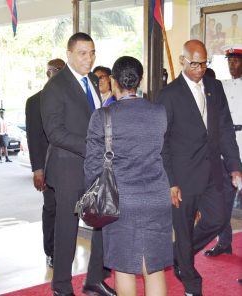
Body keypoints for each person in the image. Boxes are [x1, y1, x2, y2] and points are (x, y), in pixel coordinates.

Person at [156, 40, 242, 296]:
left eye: (204, 63)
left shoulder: (214, 87)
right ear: (183, 61)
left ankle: (178, 254)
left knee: (217, 219)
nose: (199, 68)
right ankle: (191, 282)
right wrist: (170, 181)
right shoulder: (169, 95)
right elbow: (162, 143)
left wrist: (235, 166)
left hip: (213, 171)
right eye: (194, 63)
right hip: (182, 178)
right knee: (182, 229)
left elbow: (225, 129)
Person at [85, 56, 173, 296]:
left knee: (124, 268)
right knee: (153, 268)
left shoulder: (102, 116)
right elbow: (164, 154)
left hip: (120, 201)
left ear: (113, 81)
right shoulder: (159, 113)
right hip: (157, 198)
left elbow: (92, 167)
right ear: (139, 80)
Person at [40, 32, 116, 296]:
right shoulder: (55, 87)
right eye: (83, 53)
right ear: (70, 54)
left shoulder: (93, 80)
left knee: (102, 220)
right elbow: (55, 133)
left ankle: (94, 278)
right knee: (67, 227)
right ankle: (61, 285)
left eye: (92, 52)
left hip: (94, 166)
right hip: (68, 167)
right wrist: (93, 147)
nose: (89, 58)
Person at [25, 58, 65, 268]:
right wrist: (37, 170)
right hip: (48, 168)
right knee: (51, 209)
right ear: (48, 72)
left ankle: (64, 251)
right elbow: (34, 138)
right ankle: (50, 252)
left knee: (68, 211)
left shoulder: (70, 97)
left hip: (69, 166)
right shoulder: (34, 101)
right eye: (55, 70)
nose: (59, 73)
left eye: (62, 69)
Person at [204, 45, 242, 257]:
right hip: (225, 147)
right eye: (229, 61)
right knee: (223, 199)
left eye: (235, 61)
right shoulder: (222, 87)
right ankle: (224, 242)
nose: (232, 65)